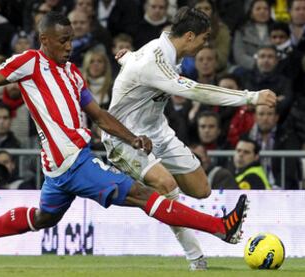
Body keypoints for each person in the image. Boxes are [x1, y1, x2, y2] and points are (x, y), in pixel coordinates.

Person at [0, 11, 248, 270]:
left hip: (59, 167)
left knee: (43, 217)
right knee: (145, 194)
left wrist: (133, 137)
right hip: (72, 161)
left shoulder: (72, 73)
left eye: (70, 40)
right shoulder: (29, 63)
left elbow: (99, 115)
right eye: (62, 41)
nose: (69, 46)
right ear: (44, 40)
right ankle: (220, 228)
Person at [101, 7, 276, 269]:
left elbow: (136, 62)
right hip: (125, 136)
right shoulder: (155, 60)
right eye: (205, 37)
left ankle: (146, 194)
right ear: (190, 36)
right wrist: (251, 97)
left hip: (157, 131)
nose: (206, 43)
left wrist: (126, 59)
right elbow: (196, 91)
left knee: (200, 189)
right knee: (167, 186)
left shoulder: (164, 51)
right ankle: (198, 258)